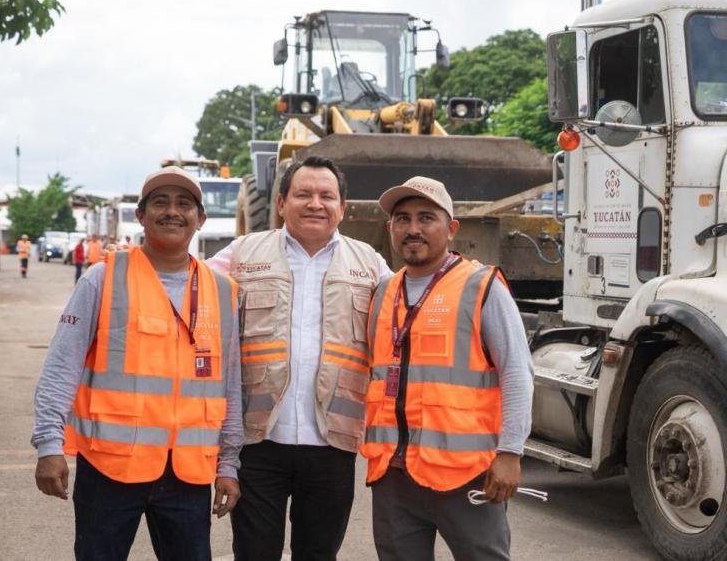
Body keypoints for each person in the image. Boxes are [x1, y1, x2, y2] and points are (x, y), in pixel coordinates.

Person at [31, 166, 243, 561]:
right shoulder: (102, 278)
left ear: (201, 219)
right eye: (159, 202)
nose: (172, 212)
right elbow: (61, 368)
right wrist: (48, 444)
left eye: (184, 204)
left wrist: (228, 463)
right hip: (110, 469)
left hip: (188, 472)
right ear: (141, 216)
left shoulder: (223, 291)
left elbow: (229, 384)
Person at [207, 155, 392, 561]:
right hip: (259, 443)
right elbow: (187, 285)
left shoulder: (371, 266)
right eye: (303, 194)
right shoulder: (242, 255)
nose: (315, 203)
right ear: (280, 203)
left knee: (319, 553)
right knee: (255, 553)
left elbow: (405, 321)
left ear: (343, 207)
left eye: (327, 196)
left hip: (332, 445)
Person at [361, 176, 534, 561]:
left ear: (451, 228)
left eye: (427, 218)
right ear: (391, 228)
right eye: (402, 219)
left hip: (467, 474)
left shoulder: (480, 286)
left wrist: (510, 452)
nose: (413, 229)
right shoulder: (383, 293)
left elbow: (517, 373)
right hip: (394, 474)